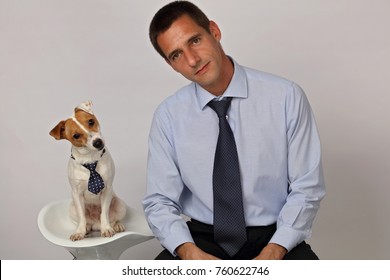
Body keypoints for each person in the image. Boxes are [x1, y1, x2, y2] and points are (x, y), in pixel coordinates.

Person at [143, 0, 325, 260]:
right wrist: (189, 253)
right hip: (201, 240)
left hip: (274, 236)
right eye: (176, 54)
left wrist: (275, 250)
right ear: (171, 64)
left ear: (214, 31)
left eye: (194, 41)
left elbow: (307, 187)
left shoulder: (285, 97)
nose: (192, 60)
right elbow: (159, 201)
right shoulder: (168, 116)